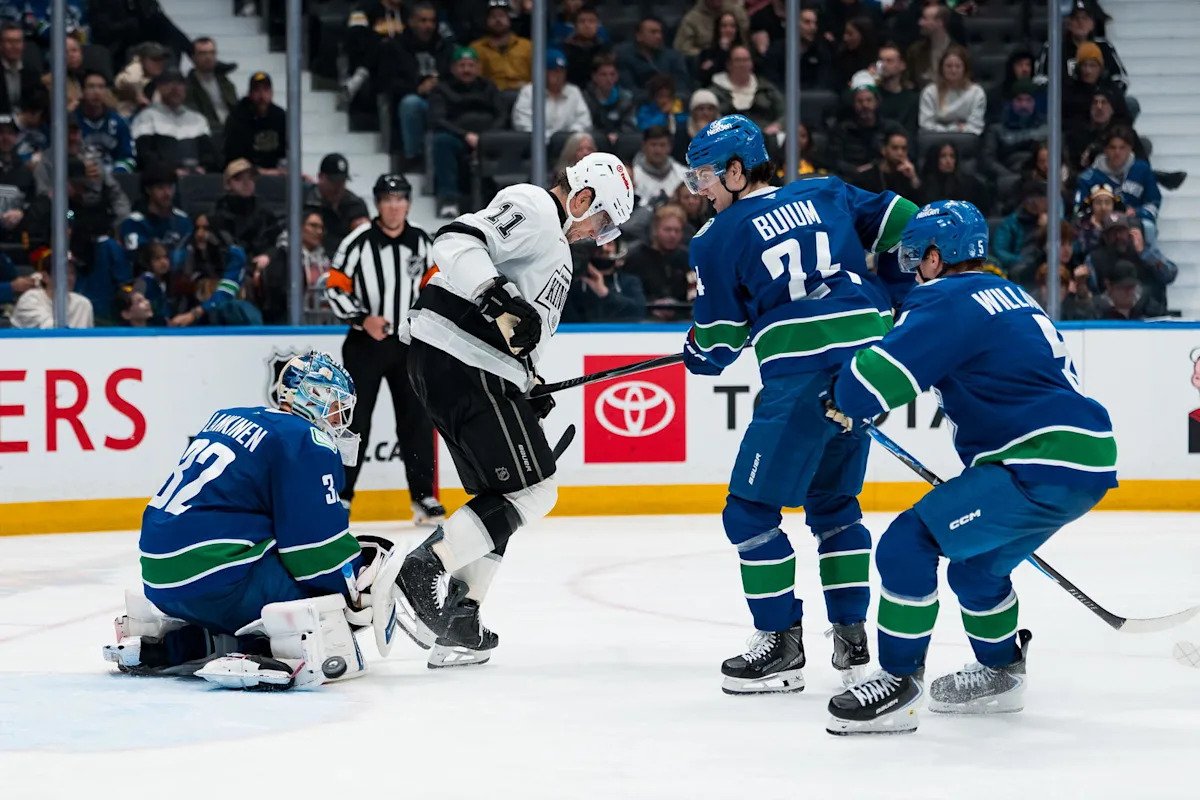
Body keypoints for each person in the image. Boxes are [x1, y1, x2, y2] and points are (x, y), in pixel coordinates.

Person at [823, 200, 1116, 734]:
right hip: (1086, 458)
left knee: (906, 545)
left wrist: (842, 393)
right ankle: (1002, 672)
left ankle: (898, 683)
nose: (912, 270)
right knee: (977, 568)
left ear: (938, 257)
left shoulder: (946, 298)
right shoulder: (1013, 294)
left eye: (917, 257)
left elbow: (873, 384)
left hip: (1034, 461)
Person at [680, 114, 918, 694]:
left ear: (737, 171)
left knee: (749, 513)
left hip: (801, 378)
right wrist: (889, 292)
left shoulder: (715, 238)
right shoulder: (824, 189)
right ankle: (851, 636)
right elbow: (912, 223)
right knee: (835, 506)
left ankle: (781, 645)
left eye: (706, 176)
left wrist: (694, 349)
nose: (700, 190)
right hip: (866, 367)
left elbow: (718, 344)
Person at [393, 151, 634, 667]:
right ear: (583, 196)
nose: (597, 232)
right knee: (536, 490)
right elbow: (456, 239)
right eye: (601, 220)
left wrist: (529, 380)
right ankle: (426, 568)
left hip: (471, 365)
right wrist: (497, 297)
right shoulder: (536, 207)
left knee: (501, 498)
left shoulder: (557, 249)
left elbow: (521, 330)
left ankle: (460, 618)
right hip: (462, 357)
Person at [102, 351, 390, 691]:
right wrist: (351, 590)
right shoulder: (307, 439)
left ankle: (183, 643)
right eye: (336, 406)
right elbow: (313, 551)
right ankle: (273, 649)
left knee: (256, 554)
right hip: (222, 582)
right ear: (313, 396)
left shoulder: (227, 417)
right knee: (329, 605)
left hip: (159, 580)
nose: (340, 419)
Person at [324, 173, 444, 525]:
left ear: (408, 202)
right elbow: (334, 287)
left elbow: (435, 286)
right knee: (355, 423)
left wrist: (423, 324)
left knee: (417, 421)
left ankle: (423, 497)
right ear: (377, 203)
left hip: (409, 344)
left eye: (400, 198)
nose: (394, 206)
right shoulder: (357, 241)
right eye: (387, 199)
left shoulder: (423, 240)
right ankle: (343, 496)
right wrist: (362, 318)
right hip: (366, 344)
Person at [428, 46, 505, 220]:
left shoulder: (489, 87)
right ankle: (449, 201)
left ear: (478, 67)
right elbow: (438, 119)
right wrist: (465, 135)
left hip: (489, 138)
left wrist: (487, 137)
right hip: (458, 138)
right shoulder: (442, 89)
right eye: (462, 65)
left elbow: (502, 115)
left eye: (470, 65)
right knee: (441, 141)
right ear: (453, 68)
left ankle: (503, 203)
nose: (466, 70)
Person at [511, 48, 592, 140]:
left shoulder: (574, 91)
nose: (559, 75)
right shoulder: (529, 92)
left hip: (568, 146)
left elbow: (584, 122)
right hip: (536, 146)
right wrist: (550, 139)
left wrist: (567, 138)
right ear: (543, 72)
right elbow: (523, 124)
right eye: (554, 71)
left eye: (562, 71)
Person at [223, 71, 287, 174]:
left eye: (266, 90)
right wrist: (261, 171)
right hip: (245, 175)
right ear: (250, 94)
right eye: (257, 90)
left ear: (271, 93)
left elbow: (287, 151)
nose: (262, 96)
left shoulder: (280, 116)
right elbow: (234, 159)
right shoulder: (237, 118)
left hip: (276, 173)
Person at [306, 154, 372, 253]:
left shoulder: (355, 204)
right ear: (320, 177)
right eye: (333, 181)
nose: (338, 187)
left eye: (342, 181)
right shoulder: (306, 202)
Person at [918, 45, 985, 136]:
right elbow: (925, 123)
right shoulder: (930, 91)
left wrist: (952, 131)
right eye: (949, 66)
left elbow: (976, 126)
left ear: (965, 69)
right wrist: (952, 129)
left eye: (958, 66)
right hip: (936, 137)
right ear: (942, 68)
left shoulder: (976, 92)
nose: (953, 70)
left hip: (964, 138)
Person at [471, 0, 533, 92]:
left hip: (523, 94)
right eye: (493, 16)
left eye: (502, 15)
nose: (498, 20)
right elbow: (476, 81)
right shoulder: (476, 48)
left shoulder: (527, 46)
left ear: (509, 19)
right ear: (487, 20)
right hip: (493, 96)